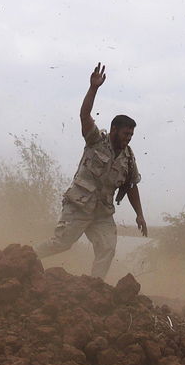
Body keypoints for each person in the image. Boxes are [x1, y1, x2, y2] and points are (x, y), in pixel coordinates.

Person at [35, 63, 147, 279]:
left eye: (131, 135)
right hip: (79, 206)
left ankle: (95, 286)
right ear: (114, 130)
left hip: (101, 213)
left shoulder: (128, 158)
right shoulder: (96, 141)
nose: (128, 138)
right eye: (125, 134)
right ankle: (24, 257)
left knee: (107, 249)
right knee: (61, 243)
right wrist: (93, 88)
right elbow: (85, 115)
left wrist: (139, 214)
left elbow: (131, 186)